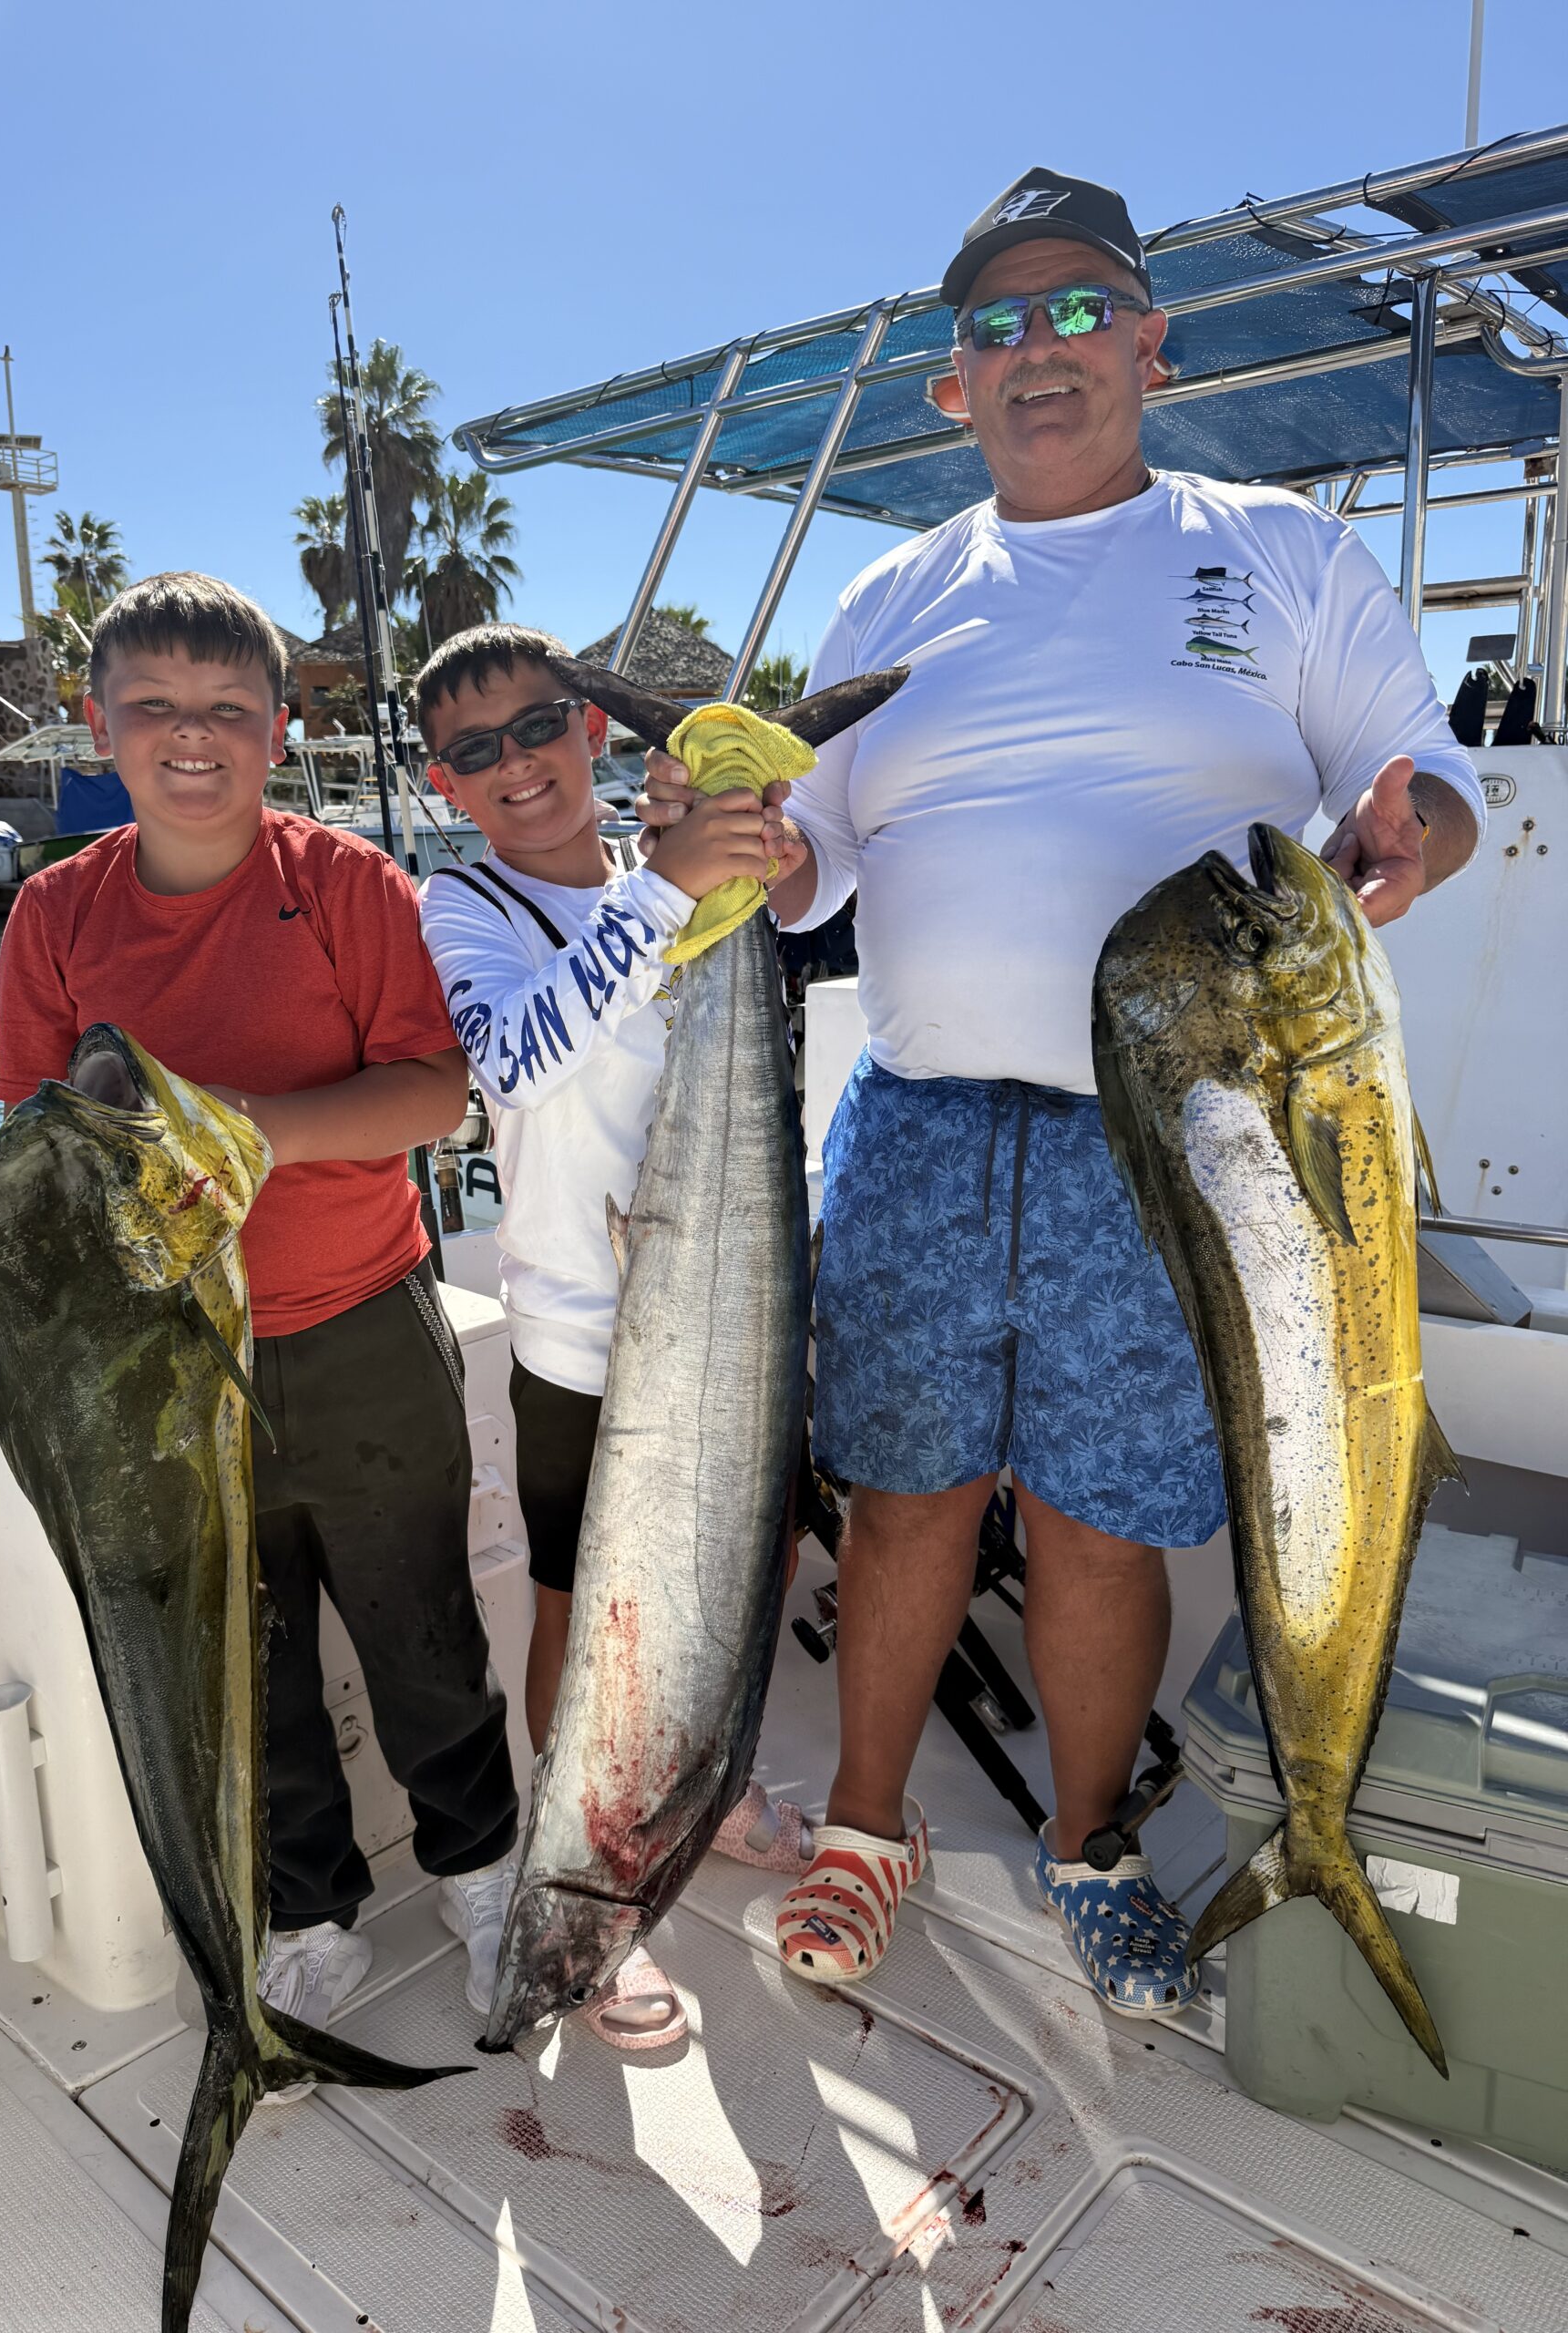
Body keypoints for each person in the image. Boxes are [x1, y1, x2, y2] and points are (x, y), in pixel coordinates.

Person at [639, 170, 1484, 2017]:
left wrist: (1420, 828)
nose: (1039, 350)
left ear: (1153, 343)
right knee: (906, 1496)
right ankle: (872, 1823)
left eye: (1079, 309)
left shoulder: (1278, 550)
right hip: (926, 1122)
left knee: (1106, 1516)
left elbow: (1421, 765)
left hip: (1186, 1141)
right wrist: (727, 846)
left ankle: (1087, 1836)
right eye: (997, 325)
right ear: (954, 386)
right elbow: (812, 872)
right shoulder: (893, 586)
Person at [0, 573, 518, 2080]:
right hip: (159, 1360)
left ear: (281, 732)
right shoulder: (54, 912)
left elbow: (433, 1093)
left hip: (354, 1319)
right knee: (248, 1652)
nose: (192, 739)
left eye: (228, 710)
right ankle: (311, 1908)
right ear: (101, 727)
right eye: (153, 707)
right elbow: (32, 1139)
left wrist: (240, 1134)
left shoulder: (349, 886)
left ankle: (483, 1873)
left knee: (422, 1623)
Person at [415, 622, 816, 2047]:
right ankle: (576, 1849)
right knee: (591, 1616)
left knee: (742, 1563)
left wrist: (749, 851)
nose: (514, 765)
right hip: (585, 1347)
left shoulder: (694, 871)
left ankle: (719, 1782)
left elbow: (824, 915)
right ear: (442, 782)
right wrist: (667, 885)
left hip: (738, 1295)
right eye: (474, 751)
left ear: (592, 735)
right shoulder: (462, 908)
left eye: (537, 730)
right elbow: (513, 1060)